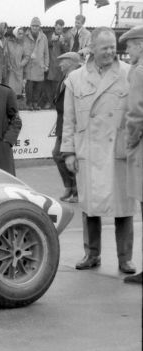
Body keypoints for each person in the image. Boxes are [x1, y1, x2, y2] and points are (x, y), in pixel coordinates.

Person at [61, 27, 136, 274]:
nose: (110, 51)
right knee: (89, 206)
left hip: (119, 151)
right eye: (104, 47)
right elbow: (68, 121)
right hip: (89, 152)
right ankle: (91, 254)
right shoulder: (75, 79)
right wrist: (69, 152)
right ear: (92, 48)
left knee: (123, 208)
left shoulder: (129, 73)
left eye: (113, 46)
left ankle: (125, 258)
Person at [120, 25, 143, 283]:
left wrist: (129, 145)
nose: (127, 51)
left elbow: (136, 115)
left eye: (129, 46)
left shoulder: (138, 72)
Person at [52, 52, 81, 202]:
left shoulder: (78, 77)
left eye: (62, 61)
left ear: (71, 62)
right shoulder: (64, 77)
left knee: (67, 156)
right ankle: (69, 186)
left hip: (71, 123)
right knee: (57, 155)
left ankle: (76, 190)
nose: (60, 64)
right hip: (62, 122)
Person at [22, 17, 49, 110]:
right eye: (33, 25)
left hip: (40, 65)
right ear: (30, 26)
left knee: (38, 87)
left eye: (37, 26)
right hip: (29, 65)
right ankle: (29, 103)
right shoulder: (25, 36)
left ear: (39, 26)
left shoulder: (44, 37)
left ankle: (35, 103)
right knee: (29, 86)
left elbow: (46, 53)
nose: (35, 27)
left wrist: (46, 64)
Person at [46, 19, 72, 108]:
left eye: (60, 28)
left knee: (59, 85)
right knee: (48, 86)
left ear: (62, 28)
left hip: (60, 66)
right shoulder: (49, 35)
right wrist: (51, 40)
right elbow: (45, 46)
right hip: (50, 64)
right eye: (57, 28)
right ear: (55, 26)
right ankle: (50, 102)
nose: (58, 29)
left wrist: (63, 43)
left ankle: (57, 103)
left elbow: (68, 51)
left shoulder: (65, 37)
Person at [5, 26, 25, 97]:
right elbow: (6, 54)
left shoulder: (23, 44)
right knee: (10, 88)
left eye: (22, 34)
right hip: (10, 69)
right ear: (15, 33)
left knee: (18, 90)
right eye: (19, 34)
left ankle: (17, 103)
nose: (21, 35)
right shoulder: (8, 42)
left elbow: (27, 56)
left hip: (19, 68)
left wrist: (21, 64)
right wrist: (9, 64)